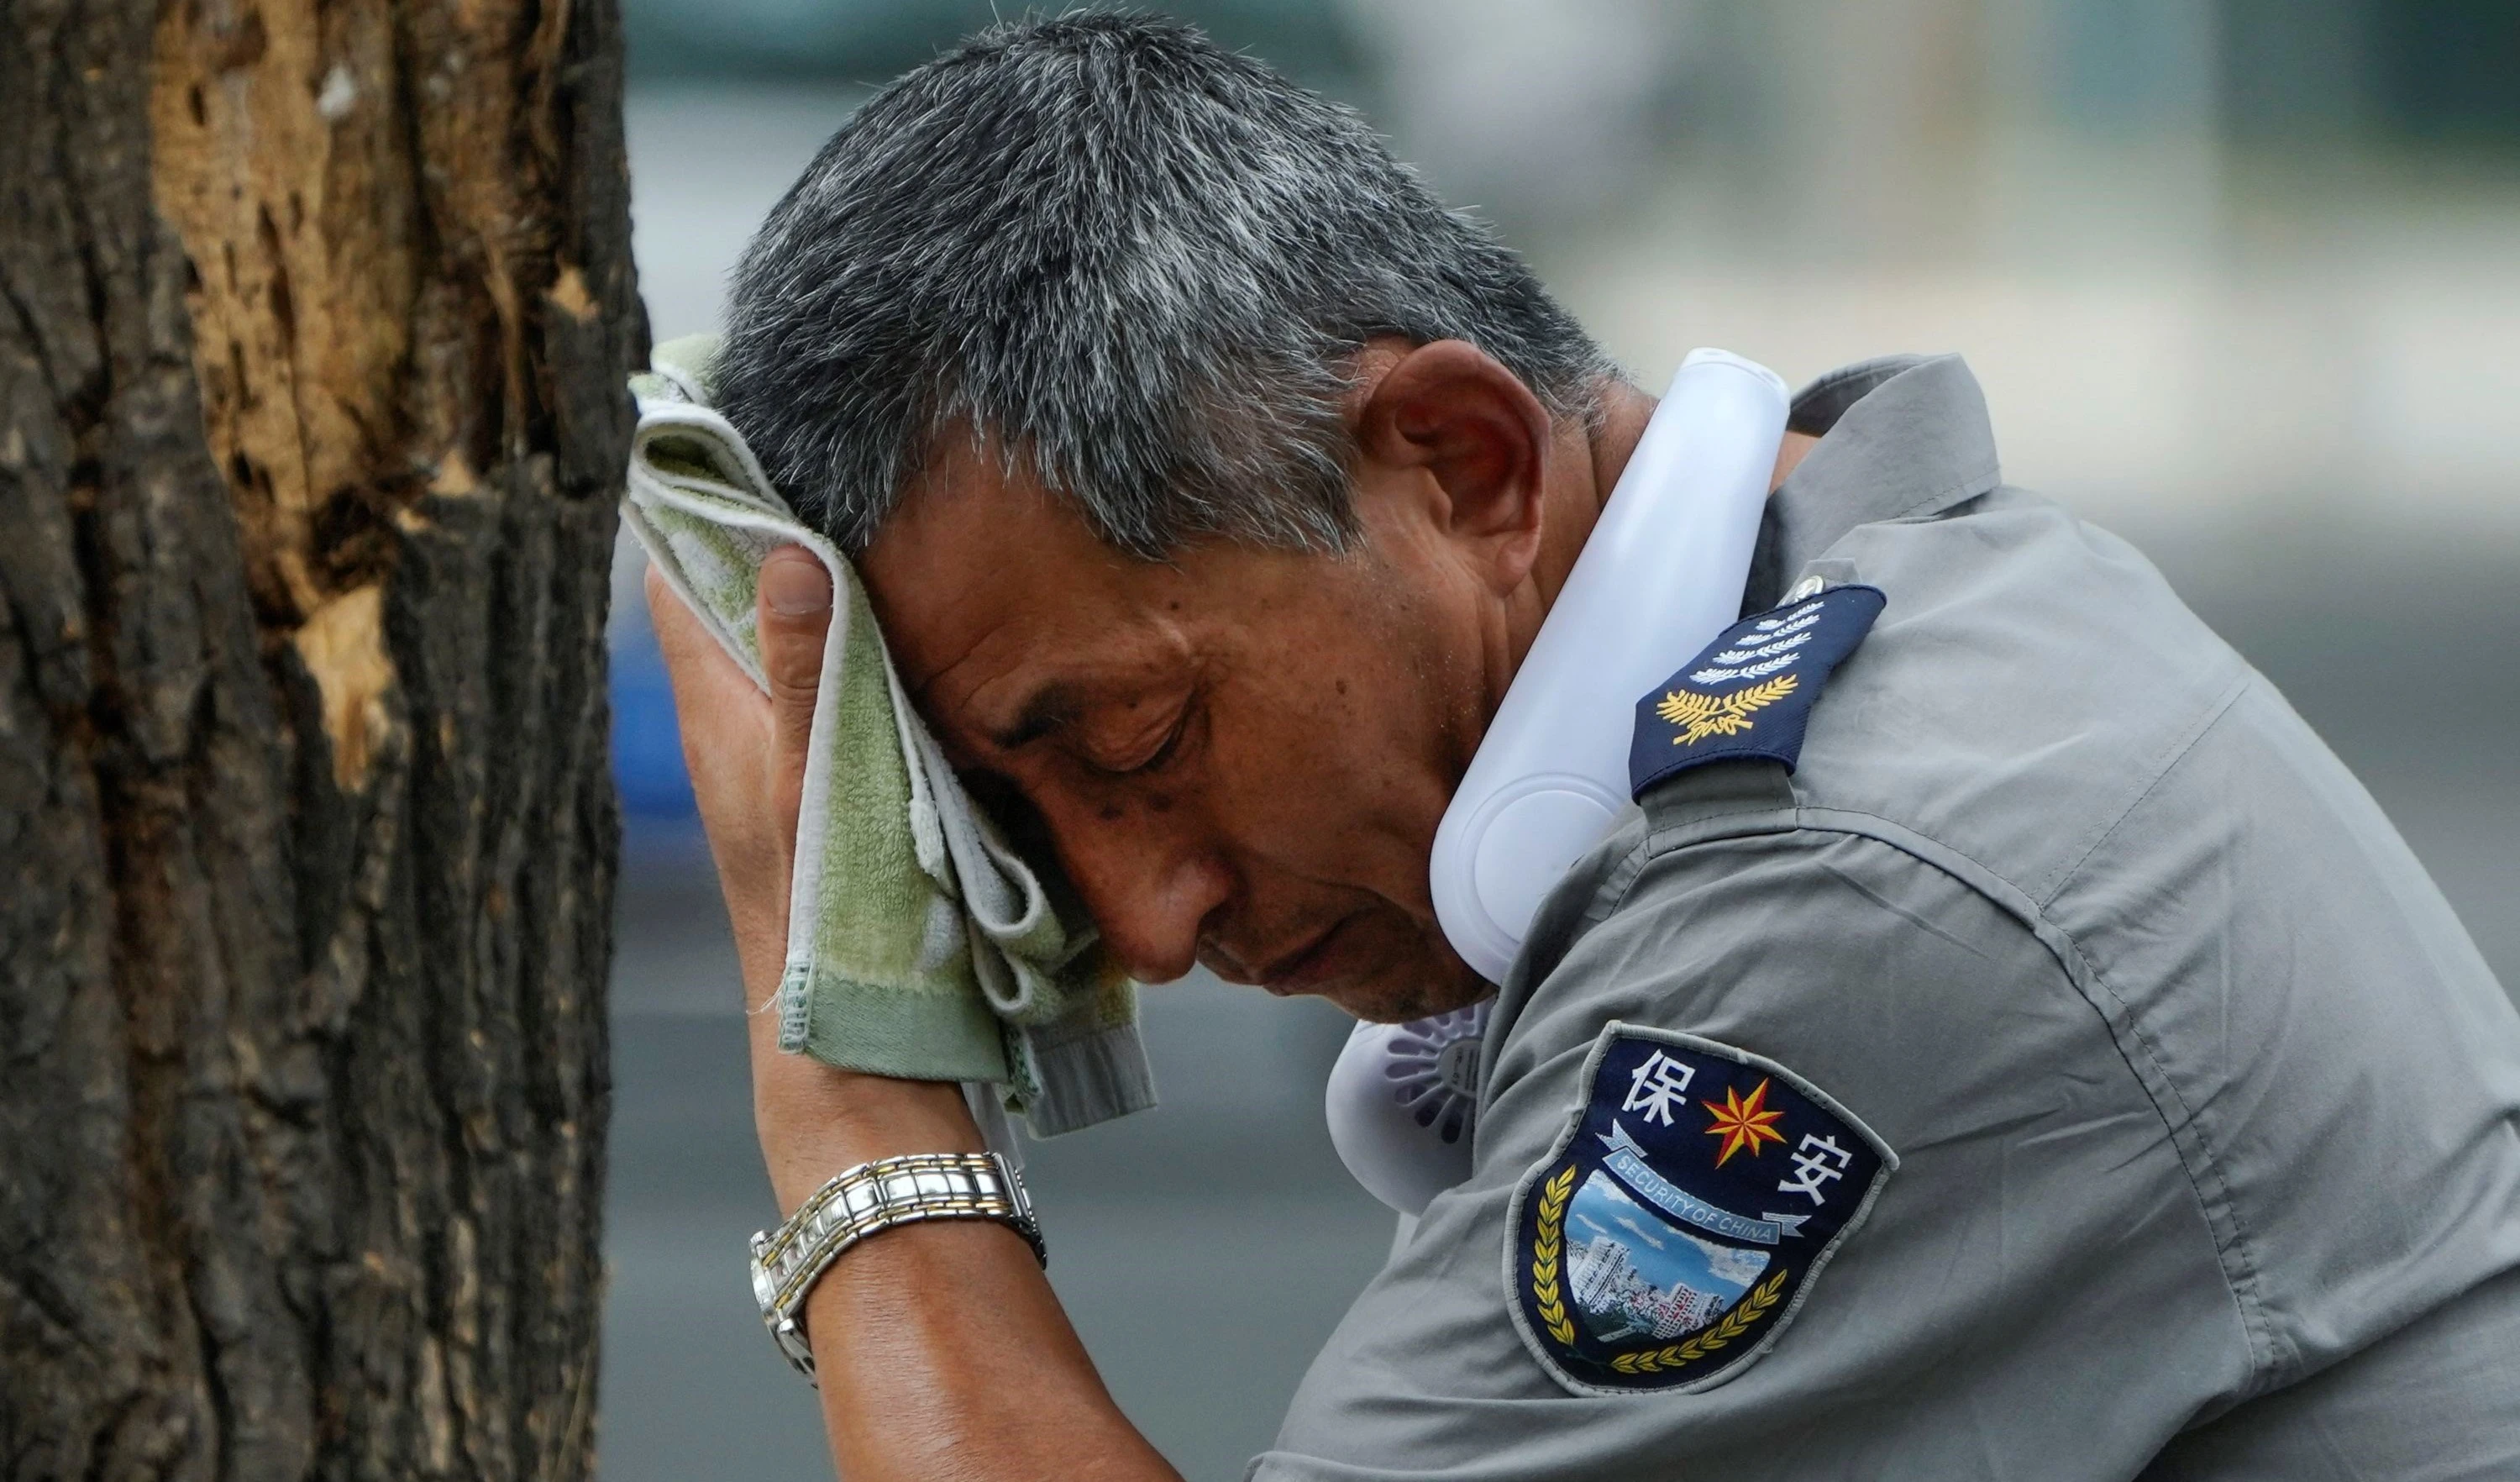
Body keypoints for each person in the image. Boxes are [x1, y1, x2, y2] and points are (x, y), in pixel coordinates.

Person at [648, 13, 2520, 1480]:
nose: (1140, 916)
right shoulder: (1894, 600)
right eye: (1005, 815)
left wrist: (852, 1084)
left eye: (1140, 736)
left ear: (1462, 463)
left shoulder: (1833, 896)